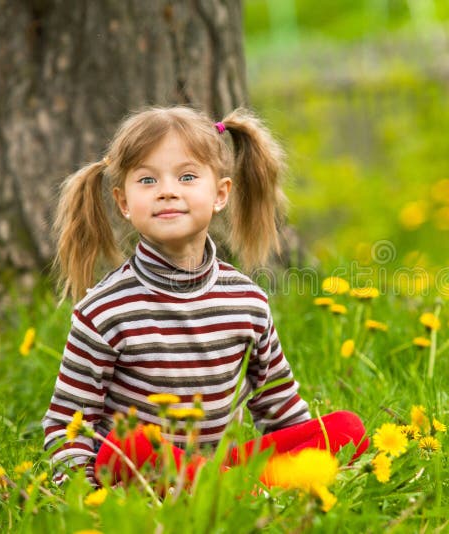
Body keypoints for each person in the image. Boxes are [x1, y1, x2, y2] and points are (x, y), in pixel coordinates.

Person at [41, 106, 368, 486]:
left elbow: (280, 409)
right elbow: (68, 426)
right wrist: (84, 494)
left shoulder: (247, 302)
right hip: (145, 473)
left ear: (220, 194)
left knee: (345, 429)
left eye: (187, 176)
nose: (167, 191)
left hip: (213, 466)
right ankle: (236, 493)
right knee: (128, 446)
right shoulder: (104, 310)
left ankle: (226, 488)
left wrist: (307, 457)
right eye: (147, 181)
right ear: (123, 203)